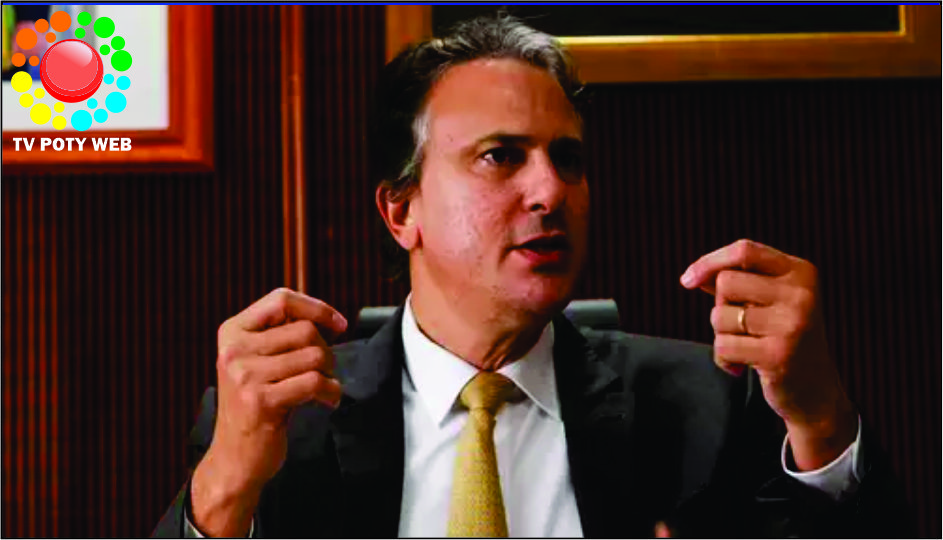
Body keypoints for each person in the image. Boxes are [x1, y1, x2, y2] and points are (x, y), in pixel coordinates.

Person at [153, 14, 909, 538]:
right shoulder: (287, 424)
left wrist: (820, 422)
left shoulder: (707, 403)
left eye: (567, 159)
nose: (551, 191)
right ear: (401, 211)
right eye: (501, 156)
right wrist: (224, 487)